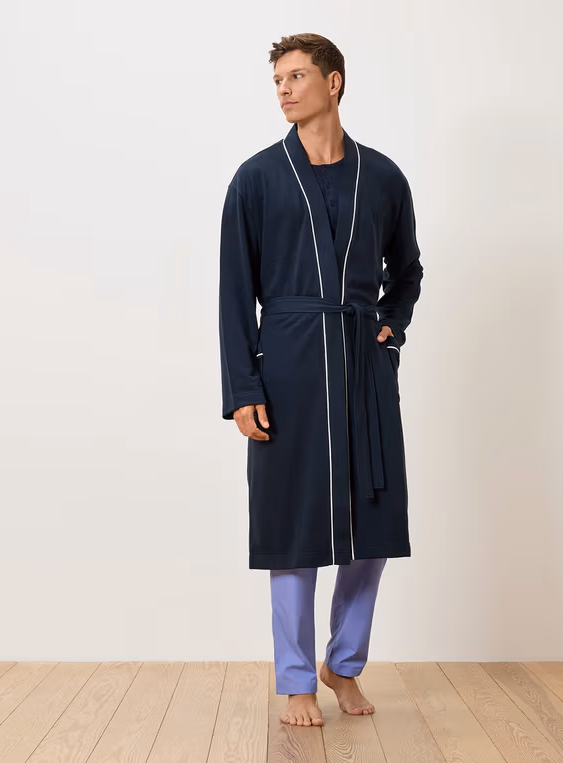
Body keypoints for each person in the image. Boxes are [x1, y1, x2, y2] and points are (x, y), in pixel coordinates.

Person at [218, 33, 423, 727]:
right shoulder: (256, 179)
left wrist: (390, 323)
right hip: (291, 370)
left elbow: (408, 270)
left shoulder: (384, 177)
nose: (283, 89)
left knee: (375, 526)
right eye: (277, 79)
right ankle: (297, 679)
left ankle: (344, 662)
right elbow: (234, 292)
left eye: (297, 76)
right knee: (294, 528)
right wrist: (243, 389)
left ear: (334, 82)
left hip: (364, 371)